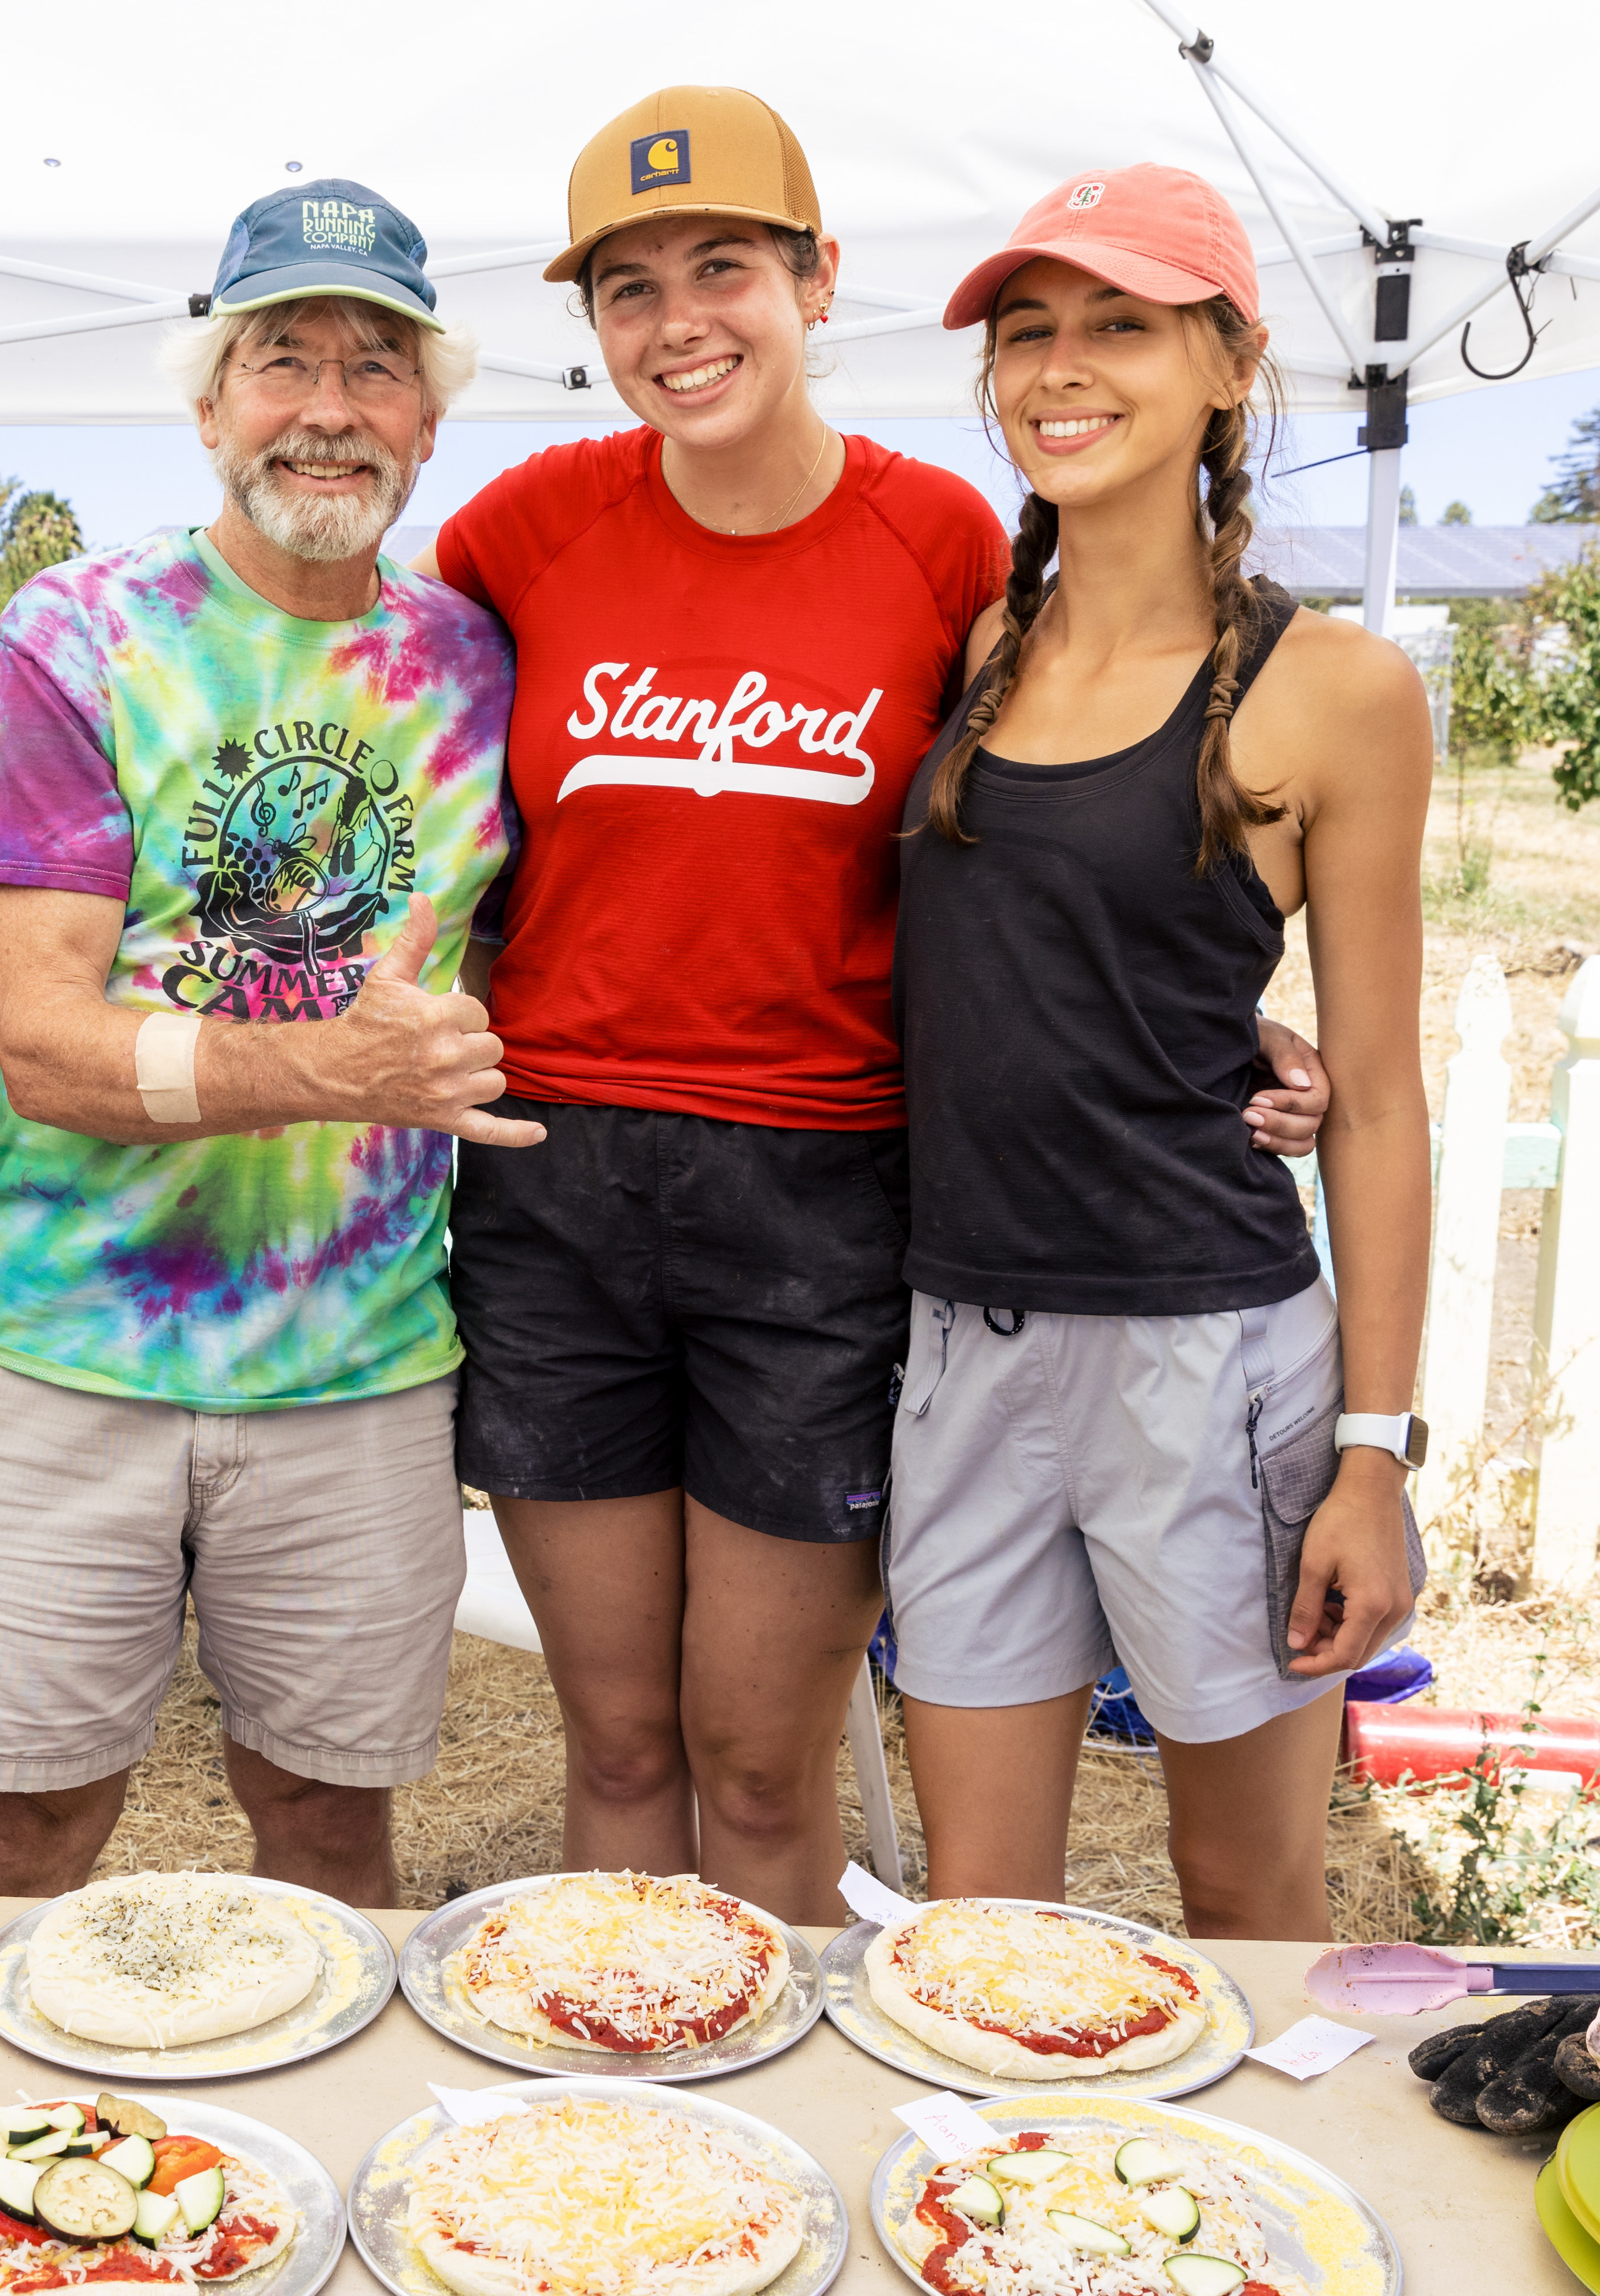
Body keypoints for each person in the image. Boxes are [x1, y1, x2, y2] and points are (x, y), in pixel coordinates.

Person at [423, 90, 1328, 1924]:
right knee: (612, 1752)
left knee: (758, 1765)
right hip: (555, 1187)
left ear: (817, 280)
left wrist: (1204, 1024)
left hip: (826, 1199)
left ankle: (792, 2146)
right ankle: (632, 2147)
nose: (679, 321)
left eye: (724, 268)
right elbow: (380, 743)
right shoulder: (518, 530)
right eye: (626, 287)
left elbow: (1061, 821)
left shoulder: (946, 549)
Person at [0, 178, 522, 1906]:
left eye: (374, 366)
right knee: (24, 1843)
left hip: (358, 1373)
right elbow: (43, 1046)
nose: (327, 406)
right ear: (206, 405)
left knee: (331, 1845)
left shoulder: (474, 661)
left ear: (426, 414)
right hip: (64, 1360)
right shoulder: (79, 636)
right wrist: (327, 1069)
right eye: (280, 361)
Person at [887, 165, 1433, 1938]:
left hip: (1209, 1357)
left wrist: (1373, 1451)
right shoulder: (976, 646)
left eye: (1117, 323)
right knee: (979, 1921)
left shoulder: (1332, 685)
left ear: (1224, 364)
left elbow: (1377, 1093)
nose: (1059, 365)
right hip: (961, 1345)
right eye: (1026, 330)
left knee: (1246, 1892)